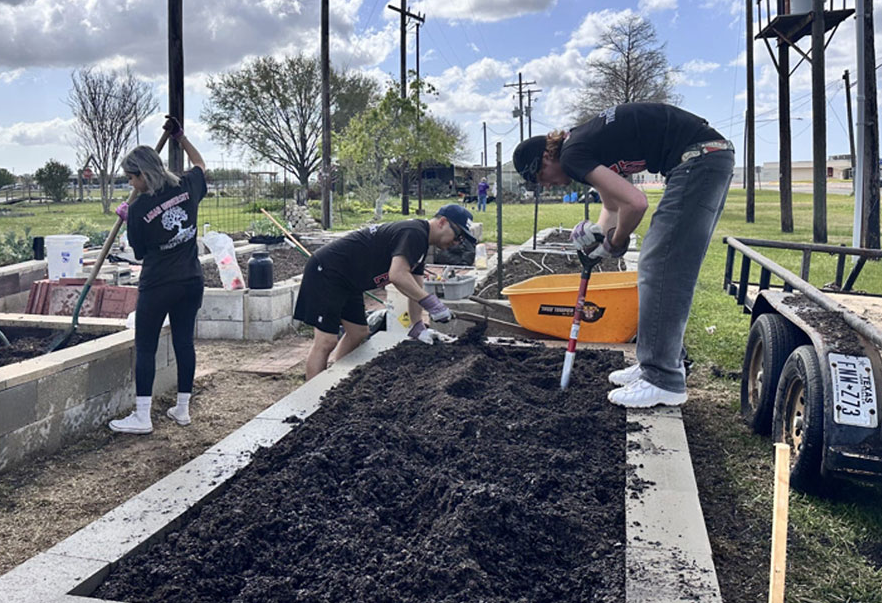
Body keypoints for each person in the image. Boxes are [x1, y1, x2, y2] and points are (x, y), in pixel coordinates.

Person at [512, 102, 734, 409]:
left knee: (661, 264)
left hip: (698, 160)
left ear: (548, 155)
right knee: (662, 265)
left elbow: (635, 203)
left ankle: (663, 379)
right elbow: (612, 207)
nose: (546, 184)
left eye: (540, 175)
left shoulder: (572, 154)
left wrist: (615, 243)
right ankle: (654, 365)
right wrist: (597, 244)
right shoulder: (583, 143)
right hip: (706, 157)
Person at [294, 204, 474, 380]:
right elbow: (397, 275)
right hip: (328, 271)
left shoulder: (421, 242)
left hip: (349, 281)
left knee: (358, 332)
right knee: (326, 341)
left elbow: (415, 286)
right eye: (458, 235)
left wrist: (417, 325)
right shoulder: (414, 233)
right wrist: (431, 303)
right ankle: (313, 398)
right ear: (442, 222)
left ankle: (334, 380)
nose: (457, 242)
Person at [108, 117, 208, 435]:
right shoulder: (185, 186)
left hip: (158, 285)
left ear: (142, 175)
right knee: (183, 343)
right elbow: (200, 163)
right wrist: (181, 137)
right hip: (191, 281)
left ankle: (142, 416)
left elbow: (138, 253)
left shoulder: (138, 210)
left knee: (147, 346)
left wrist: (128, 220)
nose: (130, 184)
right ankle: (182, 409)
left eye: (131, 178)